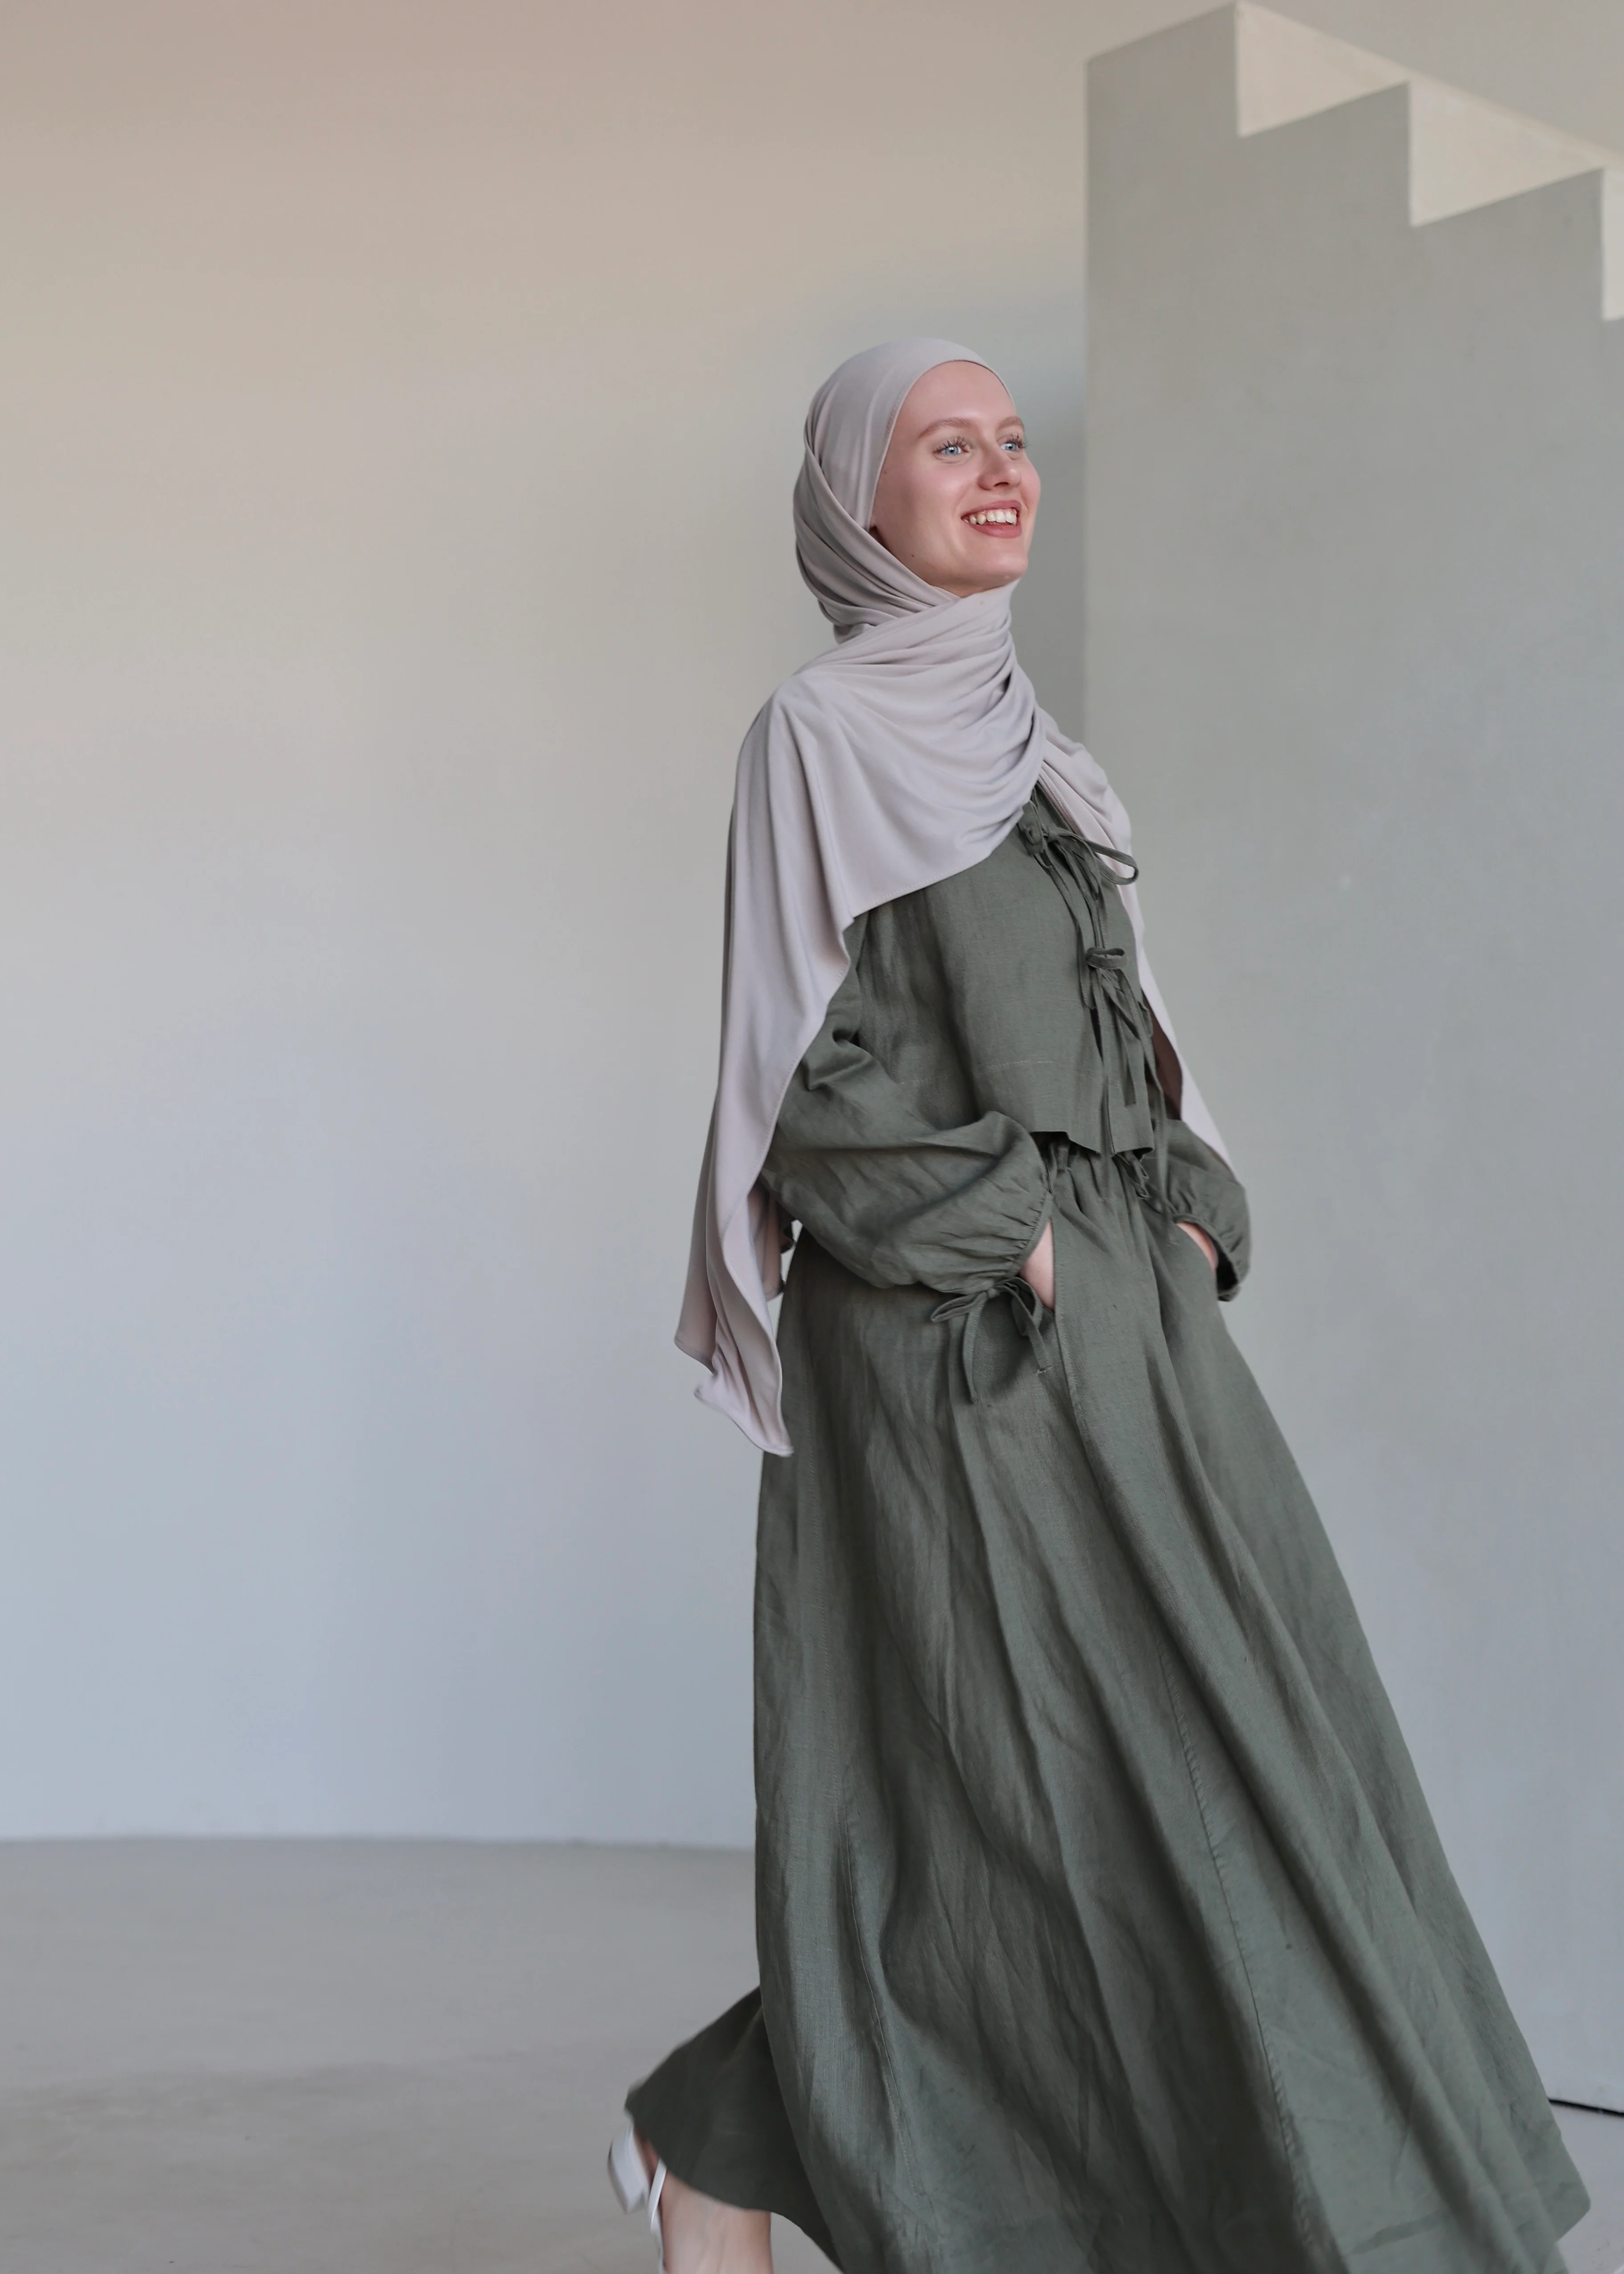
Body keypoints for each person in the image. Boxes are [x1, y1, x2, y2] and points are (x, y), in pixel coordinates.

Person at [606, 338, 1587, 2274]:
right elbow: (803, 1080)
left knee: (1245, 1772)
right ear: (855, 503)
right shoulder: (819, 739)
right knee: (1007, 1810)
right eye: (944, 446)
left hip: (1130, 1330)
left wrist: (1188, 1215)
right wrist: (1016, 1234)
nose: (1000, 471)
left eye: (1011, 442)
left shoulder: (1037, 745)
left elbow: (1125, 1022)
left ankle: (729, 2142)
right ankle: (736, 2140)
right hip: (955, 1347)